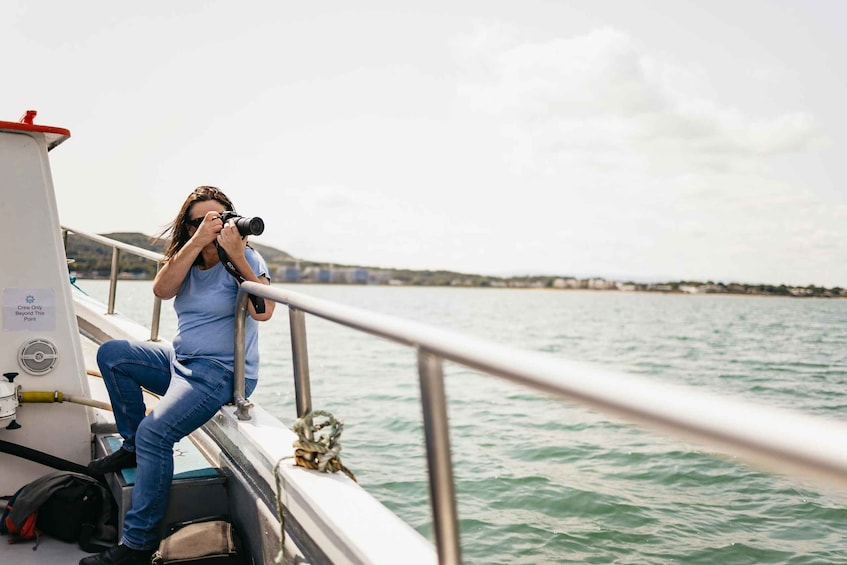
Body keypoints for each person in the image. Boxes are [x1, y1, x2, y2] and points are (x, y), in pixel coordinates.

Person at [80, 186, 275, 565]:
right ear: (188, 226)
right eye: (202, 219)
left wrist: (236, 255)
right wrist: (197, 242)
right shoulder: (186, 257)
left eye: (220, 216)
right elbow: (162, 288)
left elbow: (264, 311)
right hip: (179, 359)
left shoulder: (246, 256)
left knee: (158, 431)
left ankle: (136, 545)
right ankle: (133, 445)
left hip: (220, 370)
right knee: (113, 354)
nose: (214, 224)